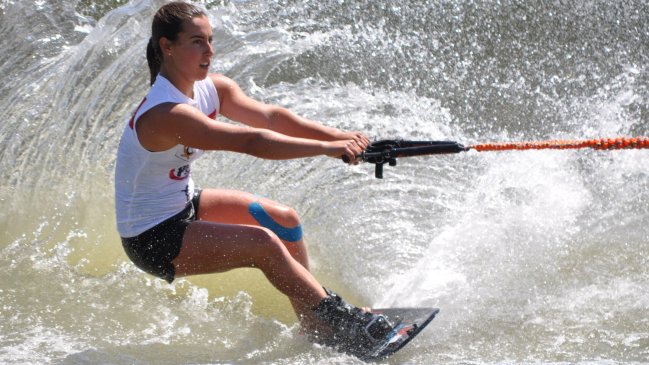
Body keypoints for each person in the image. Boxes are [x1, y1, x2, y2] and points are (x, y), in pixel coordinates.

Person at [114, 1, 393, 357]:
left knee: (285, 221)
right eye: (197, 41)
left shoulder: (212, 89)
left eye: (211, 40)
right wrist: (327, 149)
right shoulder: (166, 114)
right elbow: (251, 141)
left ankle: (313, 324)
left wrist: (345, 138)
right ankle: (340, 318)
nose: (210, 51)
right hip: (152, 238)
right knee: (262, 243)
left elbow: (271, 119)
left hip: (183, 204)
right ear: (167, 46)